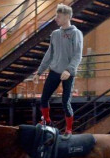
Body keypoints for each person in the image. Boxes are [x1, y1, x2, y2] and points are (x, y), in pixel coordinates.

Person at [33, 3, 83, 139]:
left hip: (68, 74)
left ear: (67, 17)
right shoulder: (55, 34)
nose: (56, 19)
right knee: (43, 99)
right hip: (54, 71)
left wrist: (69, 69)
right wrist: (39, 71)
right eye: (56, 16)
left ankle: (68, 129)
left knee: (65, 102)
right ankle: (48, 121)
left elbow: (78, 55)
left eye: (58, 16)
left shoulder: (76, 33)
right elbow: (49, 53)